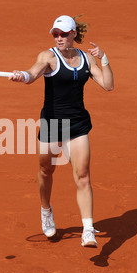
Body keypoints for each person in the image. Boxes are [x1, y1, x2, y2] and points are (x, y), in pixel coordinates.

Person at [10, 15, 114, 247]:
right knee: (46, 171)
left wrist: (104, 58)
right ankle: (46, 209)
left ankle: (88, 229)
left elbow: (108, 85)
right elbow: (33, 73)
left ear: (73, 34)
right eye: (55, 34)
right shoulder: (48, 56)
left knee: (83, 177)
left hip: (77, 125)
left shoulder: (87, 59)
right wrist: (22, 76)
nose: (58, 38)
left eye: (63, 34)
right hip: (51, 124)